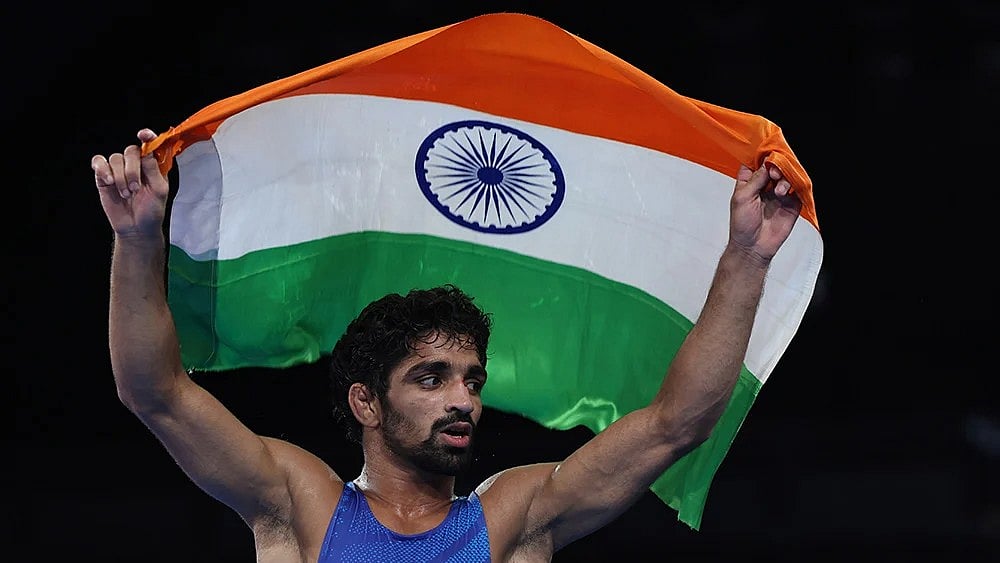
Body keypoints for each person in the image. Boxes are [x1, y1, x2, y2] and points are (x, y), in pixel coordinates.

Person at [91, 127, 802, 562]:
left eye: (471, 378)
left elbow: (677, 422)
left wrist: (747, 256)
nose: (463, 397)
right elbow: (154, 391)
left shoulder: (514, 519)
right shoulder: (297, 504)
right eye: (431, 378)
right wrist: (135, 238)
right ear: (366, 401)